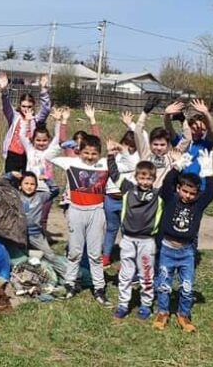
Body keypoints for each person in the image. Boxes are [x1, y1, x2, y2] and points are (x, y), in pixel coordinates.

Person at [153, 147, 213, 333]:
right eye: (185, 191)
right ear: (178, 189)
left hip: (186, 252)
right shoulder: (171, 199)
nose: (188, 196)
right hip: (167, 249)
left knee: (187, 287)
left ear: (197, 194)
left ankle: (183, 314)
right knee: (164, 284)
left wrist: (208, 173)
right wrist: (177, 166)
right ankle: (163, 312)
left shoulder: (198, 205)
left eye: (192, 193)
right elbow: (167, 183)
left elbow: (210, 193)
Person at [51, 133, 110, 304]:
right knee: (75, 252)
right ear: (79, 151)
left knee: (95, 254)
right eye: (86, 153)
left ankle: (99, 288)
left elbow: (129, 164)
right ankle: (70, 284)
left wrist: (116, 151)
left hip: (96, 211)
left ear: (99, 153)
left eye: (94, 153)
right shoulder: (72, 163)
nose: (90, 157)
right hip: (76, 210)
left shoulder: (104, 164)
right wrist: (61, 145)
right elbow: (48, 156)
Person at [106, 142, 162, 321]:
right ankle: (123, 304)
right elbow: (114, 174)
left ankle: (146, 305)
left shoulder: (158, 194)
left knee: (146, 274)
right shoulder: (128, 189)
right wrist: (110, 156)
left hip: (147, 241)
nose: (145, 182)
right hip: (128, 240)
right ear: (136, 177)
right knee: (126, 274)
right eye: (142, 178)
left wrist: (177, 165)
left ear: (154, 179)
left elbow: (171, 181)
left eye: (149, 179)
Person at [11, 171, 67, 278]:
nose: (29, 186)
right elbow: (3, 184)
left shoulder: (41, 196)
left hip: (36, 234)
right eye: (26, 183)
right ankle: (20, 276)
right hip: (18, 234)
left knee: (50, 256)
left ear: (36, 186)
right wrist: (11, 175)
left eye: (32, 184)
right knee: (18, 256)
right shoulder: (16, 196)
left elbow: (55, 190)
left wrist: (47, 180)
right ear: (20, 185)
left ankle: (68, 277)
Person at [19, 106, 66, 232]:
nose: (41, 143)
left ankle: (42, 238)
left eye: (44, 140)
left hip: (46, 190)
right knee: (26, 216)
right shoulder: (30, 150)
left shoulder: (50, 151)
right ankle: (25, 238)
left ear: (48, 140)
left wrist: (58, 121)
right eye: (38, 140)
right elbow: (22, 136)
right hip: (29, 189)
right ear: (33, 140)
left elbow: (58, 138)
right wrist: (27, 121)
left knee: (43, 218)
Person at [103, 118, 140, 270]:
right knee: (111, 228)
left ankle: (127, 259)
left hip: (127, 199)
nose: (129, 148)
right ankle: (105, 257)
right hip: (110, 198)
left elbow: (131, 162)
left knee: (127, 231)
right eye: (126, 144)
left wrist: (131, 125)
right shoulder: (114, 156)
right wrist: (112, 152)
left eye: (133, 146)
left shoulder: (136, 157)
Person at [0, 72, 50, 174]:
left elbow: (46, 109)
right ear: (20, 105)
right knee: (10, 179)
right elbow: (6, 105)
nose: (26, 109)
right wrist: (4, 90)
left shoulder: (35, 119)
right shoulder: (14, 117)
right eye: (24, 106)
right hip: (13, 153)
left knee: (26, 180)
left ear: (33, 106)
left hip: (28, 155)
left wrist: (43, 90)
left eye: (29, 106)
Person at [163, 99, 213, 178]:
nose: (198, 132)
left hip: (198, 183)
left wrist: (206, 113)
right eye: (194, 129)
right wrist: (166, 115)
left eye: (202, 130)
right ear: (188, 127)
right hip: (180, 182)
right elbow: (169, 129)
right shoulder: (181, 141)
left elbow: (212, 131)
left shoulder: (205, 145)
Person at [129, 99, 174, 187]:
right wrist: (144, 113)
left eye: (162, 145)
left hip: (161, 192)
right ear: (150, 144)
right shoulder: (145, 153)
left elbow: (186, 140)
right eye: (155, 144)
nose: (159, 148)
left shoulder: (171, 156)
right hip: (144, 189)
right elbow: (138, 132)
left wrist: (182, 119)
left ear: (168, 145)